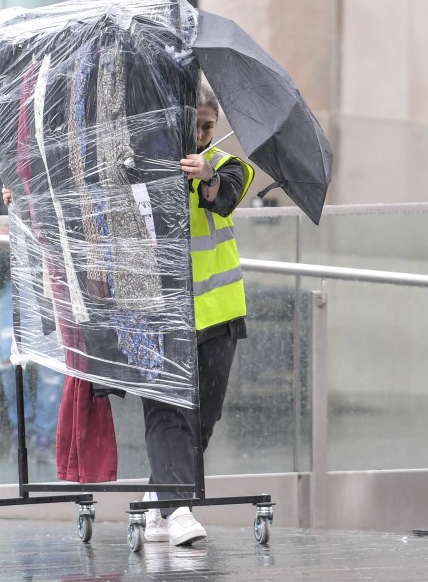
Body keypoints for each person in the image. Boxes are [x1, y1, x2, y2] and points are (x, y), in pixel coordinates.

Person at [141, 82, 255, 547]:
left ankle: (159, 495)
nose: (205, 134)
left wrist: (205, 174)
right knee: (168, 411)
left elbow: (225, 194)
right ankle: (179, 507)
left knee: (204, 417)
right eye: (198, 126)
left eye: (210, 126)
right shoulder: (145, 167)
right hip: (158, 316)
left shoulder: (228, 166)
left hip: (217, 315)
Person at [0, 185, 66, 457]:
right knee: (7, 358)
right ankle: (23, 429)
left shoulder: (56, 163)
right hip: (17, 278)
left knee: (53, 365)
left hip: (52, 278)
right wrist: (1, 232)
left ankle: (46, 436)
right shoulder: (8, 167)